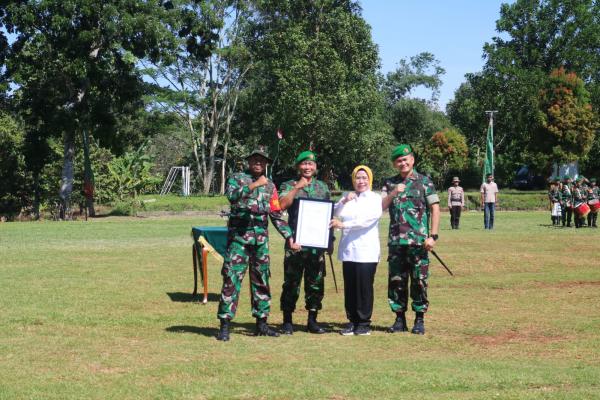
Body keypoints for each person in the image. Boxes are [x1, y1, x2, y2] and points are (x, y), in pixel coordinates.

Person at [216, 147, 300, 341]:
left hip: (260, 242)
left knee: (262, 280)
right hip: (239, 240)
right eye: (255, 160)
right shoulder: (237, 178)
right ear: (249, 162)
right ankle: (225, 325)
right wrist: (253, 185)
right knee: (231, 279)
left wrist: (289, 236)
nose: (258, 163)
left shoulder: (270, 186)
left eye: (262, 161)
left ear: (266, 164)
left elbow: (276, 213)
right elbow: (232, 197)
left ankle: (261, 323)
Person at [382, 144, 440, 335]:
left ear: (412, 160)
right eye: (399, 161)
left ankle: (419, 320)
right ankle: (399, 320)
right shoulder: (389, 183)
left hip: (419, 243)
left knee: (419, 281)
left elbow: (435, 208)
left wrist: (433, 236)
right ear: (394, 164)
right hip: (397, 243)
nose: (403, 163)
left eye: (405, 159)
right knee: (397, 282)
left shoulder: (425, 181)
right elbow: (380, 207)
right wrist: (393, 192)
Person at [278, 150, 332, 334]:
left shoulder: (322, 188)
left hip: (316, 246)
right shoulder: (288, 184)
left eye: (311, 164)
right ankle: (287, 321)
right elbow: (281, 206)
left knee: (316, 283)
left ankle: (312, 320)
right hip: (295, 244)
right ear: (298, 166)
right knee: (291, 283)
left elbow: (328, 216)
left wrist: (329, 241)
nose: (307, 167)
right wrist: (297, 187)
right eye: (304, 164)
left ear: (315, 167)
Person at [330, 165, 382, 336]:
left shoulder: (375, 198)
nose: (361, 181)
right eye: (358, 178)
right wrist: (344, 200)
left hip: (366, 251)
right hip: (349, 250)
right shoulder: (348, 197)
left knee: (364, 288)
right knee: (350, 287)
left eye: (364, 178)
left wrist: (343, 224)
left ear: (370, 180)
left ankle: (364, 323)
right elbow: (334, 212)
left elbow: (368, 220)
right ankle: (352, 321)